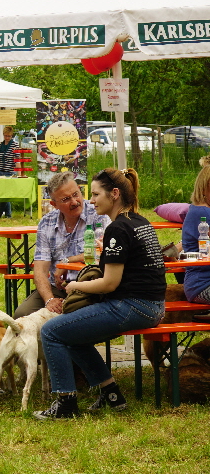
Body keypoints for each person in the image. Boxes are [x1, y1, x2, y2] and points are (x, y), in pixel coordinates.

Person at [35, 168, 165, 419]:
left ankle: (65, 404)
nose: (90, 201)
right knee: (72, 335)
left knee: (51, 331)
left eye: (95, 194)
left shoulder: (117, 229)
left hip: (133, 307)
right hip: (153, 307)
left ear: (114, 194)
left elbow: (108, 284)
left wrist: (75, 286)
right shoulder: (139, 221)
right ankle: (111, 394)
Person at [13, 172, 110, 318]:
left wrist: (66, 262)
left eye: (76, 194)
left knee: (71, 319)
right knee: (22, 315)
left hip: (89, 286)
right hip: (58, 287)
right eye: (66, 199)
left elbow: (103, 253)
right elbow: (39, 270)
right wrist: (49, 300)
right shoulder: (47, 222)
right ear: (54, 204)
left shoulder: (98, 214)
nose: (75, 201)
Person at [181, 165, 210, 304]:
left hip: (197, 284)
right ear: (205, 188)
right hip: (203, 285)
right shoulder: (203, 213)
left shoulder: (197, 209)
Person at [0, 126, 18, 218]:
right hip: (0, 171)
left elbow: (17, 160)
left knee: (6, 194)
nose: (7, 138)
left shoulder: (15, 145)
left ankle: (1, 214)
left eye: (9, 136)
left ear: (12, 136)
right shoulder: (0, 145)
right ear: (3, 135)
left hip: (10, 172)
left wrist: (18, 173)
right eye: (6, 136)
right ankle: (7, 214)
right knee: (1, 193)